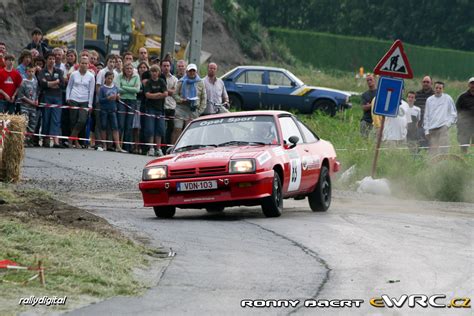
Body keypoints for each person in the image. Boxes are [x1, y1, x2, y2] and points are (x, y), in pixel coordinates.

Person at [171, 63, 206, 144]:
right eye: (190, 71)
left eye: (193, 71)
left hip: (193, 109)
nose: (192, 73)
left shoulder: (200, 82)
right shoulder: (181, 81)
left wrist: (200, 111)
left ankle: (186, 149)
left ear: (196, 72)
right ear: (187, 72)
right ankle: (172, 147)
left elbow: (204, 98)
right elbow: (174, 94)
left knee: (189, 131)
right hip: (181, 108)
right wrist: (181, 100)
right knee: (177, 129)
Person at [66, 56, 95, 148]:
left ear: (88, 65)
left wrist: (90, 104)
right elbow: (69, 86)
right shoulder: (74, 74)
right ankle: (75, 142)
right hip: (73, 98)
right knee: (73, 120)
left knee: (82, 120)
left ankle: (71, 138)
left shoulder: (91, 76)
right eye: (82, 63)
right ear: (79, 64)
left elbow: (91, 91)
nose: (84, 65)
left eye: (86, 63)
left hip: (85, 100)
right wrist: (68, 97)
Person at [37, 52, 65, 148]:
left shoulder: (59, 71)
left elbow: (62, 84)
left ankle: (56, 142)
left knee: (56, 119)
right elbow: (43, 84)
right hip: (46, 97)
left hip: (57, 97)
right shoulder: (42, 71)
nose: (52, 60)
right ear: (46, 60)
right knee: (46, 118)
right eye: (50, 59)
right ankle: (46, 140)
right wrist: (55, 82)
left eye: (53, 59)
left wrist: (50, 83)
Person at [423, 81, 457, 155]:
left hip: (443, 128)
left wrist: (447, 125)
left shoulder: (448, 98)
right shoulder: (429, 100)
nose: (438, 89)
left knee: (444, 151)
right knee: (433, 153)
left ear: (443, 89)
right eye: (436, 88)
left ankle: (444, 165)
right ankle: (433, 166)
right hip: (432, 129)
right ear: (434, 88)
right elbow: (426, 116)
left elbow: (453, 114)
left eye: (440, 88)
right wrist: (426, 130)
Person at [98, 72, 126, 152]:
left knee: (115, 127)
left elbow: (118, 100)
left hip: (113, 109)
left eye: (111, 78)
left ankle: (118, 146)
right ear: (105, 78)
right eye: (108, 78)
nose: (110, 80)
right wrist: (108, 98)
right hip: (104, 110)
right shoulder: (102, 88)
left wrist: (117, 98)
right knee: (103, 127)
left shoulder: (115, 88)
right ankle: (104, 145)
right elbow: (100, 100)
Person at [144, 65, 168, 156]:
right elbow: (147, 95)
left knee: (160, 129)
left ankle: (158, 148)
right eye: (152, 71)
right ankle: (151, 148)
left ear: (158, 72)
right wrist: (158, 94)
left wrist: (155, 95)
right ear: (150, 73)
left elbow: (165, 93)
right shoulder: (149, 82)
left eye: (156, 71)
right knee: (150, 129)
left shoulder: (161, 81)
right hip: (150, 108)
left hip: (160, 109)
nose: (154, 73)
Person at [117, 62, 141, 152]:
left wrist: (125, 87)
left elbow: (137, 90)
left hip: (132, 101)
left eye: (131, 69)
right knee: (121, 123)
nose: (129, 70)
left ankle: (127, 147)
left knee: (129, 124)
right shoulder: (119, 76)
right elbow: (118, 88)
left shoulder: (136, 76)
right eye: (127, 68)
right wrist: (130, 89)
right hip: (122, 100)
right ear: (124, 69)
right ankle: (118, 146)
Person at [17, 65, 39, 146]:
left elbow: (37, 93)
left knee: (32, 123)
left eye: (32, 71)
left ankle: (29, 139)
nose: (31, 73)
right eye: (29, 71)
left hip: (33, 107)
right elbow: (21, 95)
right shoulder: (23, 82)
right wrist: (30, 101)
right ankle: (24, 140)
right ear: (26, 72)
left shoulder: (35, 82)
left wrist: (36, 100)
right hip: (25, 106)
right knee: (25, 122)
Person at [160, 59, 177, 146]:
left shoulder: (174, 79)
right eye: (164, 66)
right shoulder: (159, 77)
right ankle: (161, 146)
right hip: (161, 106)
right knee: (161, 128)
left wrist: (165, 91)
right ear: (161, 67)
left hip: (171, 106)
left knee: (171, 128)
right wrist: (168, 92)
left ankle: (167, 146)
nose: (166, 68)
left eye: (168, 66)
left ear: (170, 67)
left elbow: (175, 92)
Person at [455, 77, 474, 154]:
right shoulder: (462, 97)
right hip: (465, 125)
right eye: (472, 83)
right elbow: (457, 109)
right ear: (468, 85)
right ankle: (464, 159)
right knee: (464, 144)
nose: (473, 85)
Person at [415, 76, 434, 149]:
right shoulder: (417, 94)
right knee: (418, 146)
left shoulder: (434, 94)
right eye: (424, 82)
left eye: (427, 82)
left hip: (431, 126)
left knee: (431, 147)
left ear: (431, 83)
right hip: (419, 125)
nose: (425, 83)